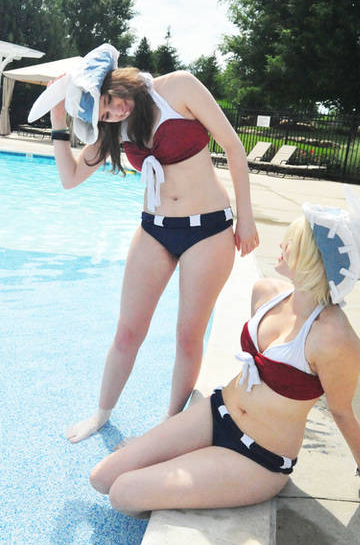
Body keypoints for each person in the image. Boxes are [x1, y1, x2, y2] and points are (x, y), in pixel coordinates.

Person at [89, 187, 360, 515]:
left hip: (259, 457)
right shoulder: (267, 292)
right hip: (216, 413)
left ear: (315, 259)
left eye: (293, 241)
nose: (281, 244)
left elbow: (342, 412)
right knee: (102, 477)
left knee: (123, 493)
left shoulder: (337, 341)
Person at [29, 43, 258, 443]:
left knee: (188, 335)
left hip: (208, 230)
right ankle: (101, 413)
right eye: (104, 114)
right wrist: (58, 121)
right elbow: (69, 178)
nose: (115, 112)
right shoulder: (115, 128)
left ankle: (170, 424)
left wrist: (248, 218)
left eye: (110, 102)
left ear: (113, 81)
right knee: (127, 331)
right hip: (155, 227)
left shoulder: (180, 86)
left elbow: (235, 148)